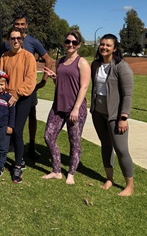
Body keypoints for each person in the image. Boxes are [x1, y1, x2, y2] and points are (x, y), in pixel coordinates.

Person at [0, 14, 53, 160]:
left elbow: (48, 59)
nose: (20, 27)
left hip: (27, 89)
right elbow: (0, 62)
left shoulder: (33, 42)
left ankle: (32, 144)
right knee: (10, 118)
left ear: (26, 26)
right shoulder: (6, 45)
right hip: (10, 90)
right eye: (17, 24)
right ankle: (10, 145)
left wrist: (43, 81)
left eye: (22, 24)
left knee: (31, 115)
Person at [42, 30, 90, 185]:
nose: (70, 44)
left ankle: (71, 173)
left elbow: (83, 87)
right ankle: (56, 171)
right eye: (68, 41)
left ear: (79, 45)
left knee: (74, 141)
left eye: (74, 42)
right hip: (58, 106)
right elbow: (62, 83)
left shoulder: (82, 62)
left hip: (75, 108)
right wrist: (54, 78)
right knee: (49, 137)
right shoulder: (60, 61)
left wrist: (76, 109)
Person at [90, 34, 135, 196]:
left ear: (115, 48)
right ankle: (109, 178)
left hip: (115, 116)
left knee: (121, 149)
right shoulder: (95, 65)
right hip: (98, 113)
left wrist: (123, 117)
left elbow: (128, 94)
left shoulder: (121, 67)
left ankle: (129, 185)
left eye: (108, 45)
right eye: (102, 44)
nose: (104, 47)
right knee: (106, 145)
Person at [0, 27, 37, 183]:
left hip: (22, 99)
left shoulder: (28, 57)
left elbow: (30, 79)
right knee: (7, 131)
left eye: (18, 38)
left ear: (22, 39)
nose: (15, 41)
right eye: (12, 38)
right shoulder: (4, 57)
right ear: (8, 40)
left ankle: (18, 166)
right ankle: (10, 159)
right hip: (6, 98)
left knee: (17, 131)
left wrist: (17, 94)